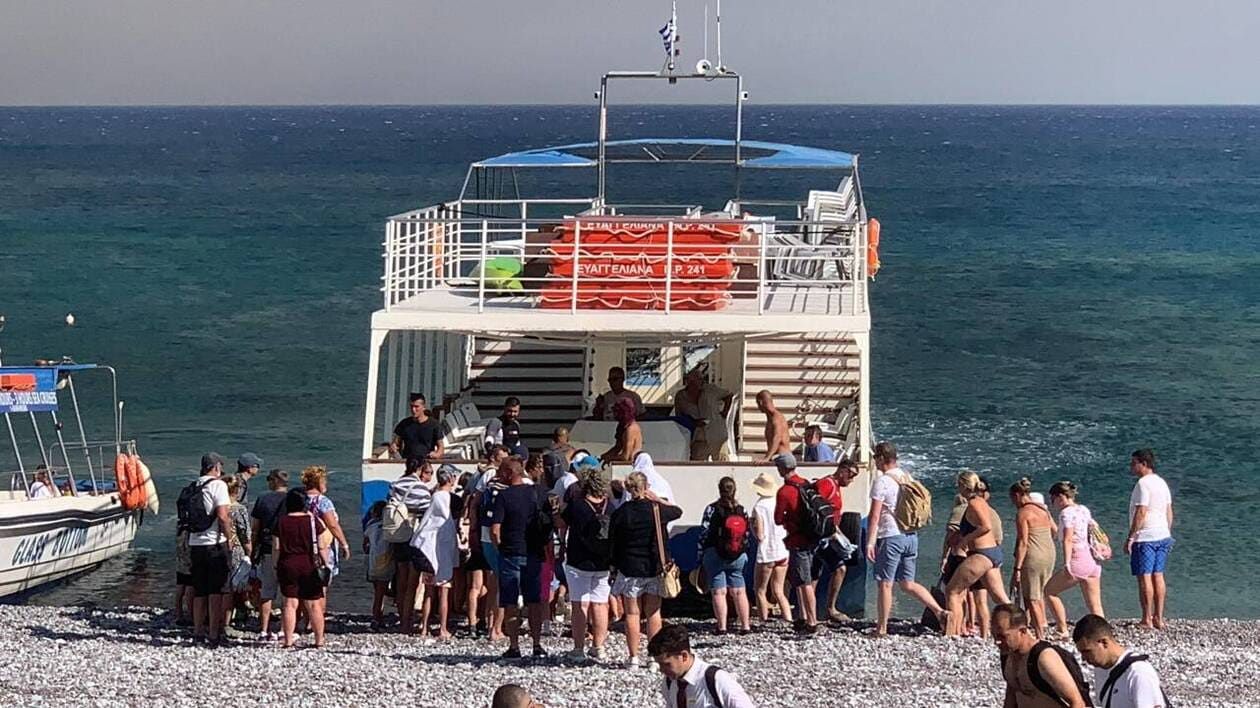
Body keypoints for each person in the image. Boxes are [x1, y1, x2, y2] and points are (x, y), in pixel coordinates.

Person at [865, 442, 948, 637]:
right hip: (911, 536)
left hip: (891, 536)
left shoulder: (882, 481)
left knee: (885, 583)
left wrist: (870, 541)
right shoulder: (907, 477)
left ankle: (882, 629)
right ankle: (940, 611)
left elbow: (874, 515)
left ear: (880, 459)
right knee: (907, 583)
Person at [610, 470, 682, 669]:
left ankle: (633, 657)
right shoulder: (657, 510)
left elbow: (613, 541)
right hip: (653, 567)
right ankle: (653, 657)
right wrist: (658, 499)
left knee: (632, 615)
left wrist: (613, 565)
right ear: (646, 487)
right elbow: (677, 511)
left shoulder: (622, 512)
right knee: (653, 613)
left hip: (629, 567)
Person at [491, 457, 550, 659]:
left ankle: (514, 645)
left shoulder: (503, 496)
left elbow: (495, 530)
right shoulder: (538, 492)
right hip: (534, 552)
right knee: (534, 601)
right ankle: (536, 643)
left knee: (510, 600)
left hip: (510, 552)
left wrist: (500, 547)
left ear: (509, 473)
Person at [944, 471, 1012, 636]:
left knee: (952, 591)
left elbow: (985, 526)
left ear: (963, 486)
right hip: (992, 553)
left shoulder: (974, 503)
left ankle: (951, 634)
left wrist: (964, 540)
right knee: (1000, 599)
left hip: (981, 554)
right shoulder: (981, 501)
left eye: (958, 485)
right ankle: (1020, 626)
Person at [556, 467, 613, 663]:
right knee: (600, 604)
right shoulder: (610, 505)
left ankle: (579, 648)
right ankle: (599, 646)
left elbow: (560, 523)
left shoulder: (577, 505)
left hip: (579, 560)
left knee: (580, 604)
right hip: (603, 561)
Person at [993, 604, 1092, 708]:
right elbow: (1012, 692)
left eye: (1002, 636)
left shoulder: (1044, 657)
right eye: (994, 635)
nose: (997, 642)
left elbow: (1078, 703)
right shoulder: (1008, 655)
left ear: (1022, 631)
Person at [1044, 480, 1105, 640]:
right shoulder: (1083, 510)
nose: (1053, 503)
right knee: (1095, 604)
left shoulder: (1066, 514)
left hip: (1078, 559)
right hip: (1092, 560)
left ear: (1061, 497)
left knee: (1049, 592)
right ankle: (1104, 635)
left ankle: (1062, 629)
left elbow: (1067, 539)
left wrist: (1067, 563)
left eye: (1053, 499)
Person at [188, 453, 237, 646]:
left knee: (199, 589)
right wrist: (230, 539)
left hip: (195, 542)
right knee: (215, 590)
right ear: (215, 467)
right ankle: (214, 633)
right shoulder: (219, 485)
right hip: (214, 543)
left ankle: (198, 630)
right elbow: (223, 516)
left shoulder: (194, 485)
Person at [273, 488, 330, 649]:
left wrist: (275, 565)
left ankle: (288, 640)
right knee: (313, 604)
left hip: (287, 563)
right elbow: (322, 546)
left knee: (289, 603)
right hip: (309, 564)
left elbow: (276, 547)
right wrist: (325, 564)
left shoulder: (281, 521)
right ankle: (319, 640)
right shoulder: (313, 521)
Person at [648, 623, 756, 708]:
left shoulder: (716, 680)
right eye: (659, 664)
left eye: (666, 664)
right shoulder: (668, 683)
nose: (661, 670)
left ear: (684, 656)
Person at [772, 453, 822, 634]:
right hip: (812, 539)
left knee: (804, 582)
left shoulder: (784, 491)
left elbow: (778, 518)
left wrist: (787, 520)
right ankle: (803, 616)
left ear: (781, 469)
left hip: (797, 540)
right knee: (803, 580)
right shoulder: (806, 484)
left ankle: (811, 621)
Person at [1074, 614, 1169, 708]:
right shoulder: (1100, 668)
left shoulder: (1138, 673)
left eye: (1087, 651)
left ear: (1104, 642)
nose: (1083, 658)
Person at [696, 477, 752, 635]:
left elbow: (704, 534)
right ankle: (745, 626)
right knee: (739, 591)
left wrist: (700, 556)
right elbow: (746, 534)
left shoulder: (711, 509)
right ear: (735, 490)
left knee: (719, 592)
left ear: (719, 489)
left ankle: (721, 627)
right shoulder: (742, 510)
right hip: (738, 555)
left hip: (715, 553)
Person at [1126, 449, 1173, 630]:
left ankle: (1146, 618)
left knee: (1144, 577)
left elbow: (1141, 511)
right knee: (1158, 575)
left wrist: (1131, 536)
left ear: (1143, 464)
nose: (1132, 467)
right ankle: (1159, 618)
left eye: (1134, 463)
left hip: (1146, 536)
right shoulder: (1162, 483)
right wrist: (1167, 531)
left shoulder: (1143, 484)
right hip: (1162, 534)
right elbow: (1169, 510)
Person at [469, 447, 512, 641]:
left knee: (491, 579)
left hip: (485, 532)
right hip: (496, 534)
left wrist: (474, 526)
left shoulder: (488, 478)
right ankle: (495, 628)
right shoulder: (498, 478)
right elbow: (475, 501)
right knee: (498, 579)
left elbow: (474, 501)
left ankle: (488, 623)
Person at [413, 465, 459, 640]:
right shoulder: (448, 499)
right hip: (443, 551)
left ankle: (424, 627)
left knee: (429, 592)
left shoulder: (434, 497)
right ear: (450, 478)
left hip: (429, 550)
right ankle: (443, 628)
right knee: (444, 592)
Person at [1010, 478, 1058, 639]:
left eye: (1012, 499)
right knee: (1041, 591)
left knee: (1032, 597)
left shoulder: (1023, 513)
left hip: (1034, 555)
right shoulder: (1043, 510)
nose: (1013, 503)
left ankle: (1039, 634)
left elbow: (1023, 542)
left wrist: (1017, 568)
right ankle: (1039, 623)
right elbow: (1054, 530)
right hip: (1049, 552)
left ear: (1017, 495)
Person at [391, 458, 434, 634]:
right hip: (413, 534)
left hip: (397, 534)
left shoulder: (395, 484)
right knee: (412, 582)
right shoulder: (420, 488)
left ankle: (401, 617)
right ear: (419, 469)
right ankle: (408, 621)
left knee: (401, 579)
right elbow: (426, 511)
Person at [815, 458, 859, 622]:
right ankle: (825, 609)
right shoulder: (827, 485)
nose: (852, 480)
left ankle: (823, 609)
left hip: (831, 534)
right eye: (851, 475)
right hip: (822, 537)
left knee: (817, 572)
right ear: (842, 471)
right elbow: (818, 509)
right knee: (833, 569)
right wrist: (831, 532)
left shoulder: (836, 487)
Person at [250, 469, 289, 639]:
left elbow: (255, 528)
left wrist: (252, 550)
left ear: (274, 481)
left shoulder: (263, 499)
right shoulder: (292, 499)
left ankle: (264, 629)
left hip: (267, 548)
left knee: (267, 591)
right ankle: (284, 628)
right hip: (288, 550)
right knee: (287, 592)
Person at [749, 470, 792, 625]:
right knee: (779, 591)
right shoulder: (780, 501)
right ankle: (788, 619)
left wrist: (752, 528)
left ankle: (763, 620)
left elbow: (760, 535)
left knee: (760, 590)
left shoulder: (759, 507)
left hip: (767, 552)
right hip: (782, 550)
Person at [672, 366, 733, 461]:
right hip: (697, 436)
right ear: (689, 382)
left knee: (722, 463)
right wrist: (693, 422)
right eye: (697, 380)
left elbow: (728, 395)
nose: (701, 382)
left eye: (701, 379)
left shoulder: (711, 390)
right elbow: (679, 417)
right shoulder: (680, 396)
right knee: (697, 463)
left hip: (716, 433)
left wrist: (724, 412)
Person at [362, 500, 393, 631]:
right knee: (381, 594)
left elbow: (365, 545)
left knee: (377, 592)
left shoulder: (370, 525)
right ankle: (376, 618)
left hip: (373, 562)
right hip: (385, 561)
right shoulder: (389, 527)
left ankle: (378, 617)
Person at [391, 392, 444, 463]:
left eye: (416, 407)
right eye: (411, 406)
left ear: (423, 407)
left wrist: (436, 454)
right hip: (408, 462)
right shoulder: (404, 424)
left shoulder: (434, 424)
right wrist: (393, 448)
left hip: (426, 462)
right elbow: (395, 443)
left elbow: (441, 447)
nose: (413, 410)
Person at [601, 397, 643, 465]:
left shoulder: (630, 429)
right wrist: (602, 457)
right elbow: (617, 447)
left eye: (617, 412)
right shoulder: (622, 426)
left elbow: (626, 456)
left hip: (632, 465)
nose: (615, 414)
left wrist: (609, 458)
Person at [754, 390, 791, 462]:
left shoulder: (777, 417)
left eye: (757, 403)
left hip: (783, 458)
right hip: (777, 458)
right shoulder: (770, 418)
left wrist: (767, 458)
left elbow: (777, 438)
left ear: (760, 402)